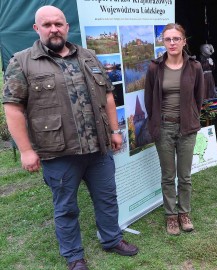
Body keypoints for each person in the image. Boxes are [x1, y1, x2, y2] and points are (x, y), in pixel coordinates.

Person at [2, 5, 138, 270]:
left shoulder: (87, 56)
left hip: (98, 149)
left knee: (107, 198)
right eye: (47, 24)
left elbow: (108, 95)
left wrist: (113, 131)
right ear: (36, 28)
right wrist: (26, 150)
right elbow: (13, 108)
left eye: (59, 24)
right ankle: (74, 257)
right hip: (59, 152)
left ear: (66, 27)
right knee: (66, 208)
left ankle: (112, 239)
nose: (54, 29)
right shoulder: (22, 61)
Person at [144, 23, 205, 235]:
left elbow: (199, 98)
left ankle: (184, 213)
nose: (172, 43)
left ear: (184, 41)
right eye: (168, 39)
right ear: (163, 42)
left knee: (185, 176)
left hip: (187, 128)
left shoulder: (195, 67)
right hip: (164, 128)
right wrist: (156, 124)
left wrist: (192, 118)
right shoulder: (155, 68)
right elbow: (149, 100)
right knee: (168, 176)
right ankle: (171, 216)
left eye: (176, 39)